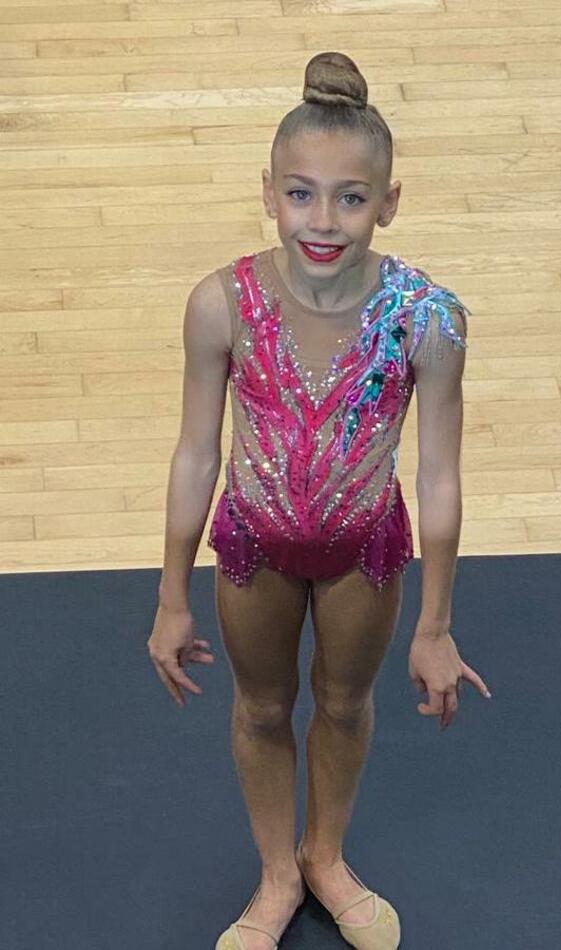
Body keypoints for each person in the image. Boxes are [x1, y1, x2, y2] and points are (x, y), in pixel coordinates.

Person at [147, 50, 492, 950]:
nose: (324, 220)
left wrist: (436, 624)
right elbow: (195, 455)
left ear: (389, 201)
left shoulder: (428, 318)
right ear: (268, 192)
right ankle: (275, 874)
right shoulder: (220, 303)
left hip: (362, 551)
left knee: (342, 702)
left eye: (351, 197)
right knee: (262, 708)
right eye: (302, 194)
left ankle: (324, 855)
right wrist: (171, 594)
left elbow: (440, 477)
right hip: (253, 547)